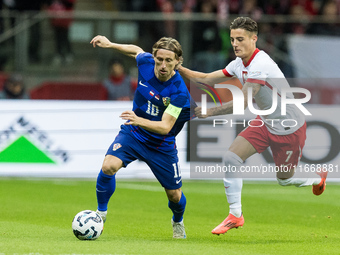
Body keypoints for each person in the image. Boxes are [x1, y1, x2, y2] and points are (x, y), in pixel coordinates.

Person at [178, 17, 327, 235]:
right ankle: (235, 215)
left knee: (284, 180)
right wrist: (177, 68)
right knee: (231, 157)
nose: (235, 44)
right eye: (232, 39)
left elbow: (244, 102)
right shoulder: (238, 63)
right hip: (265, 121)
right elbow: (208, 79)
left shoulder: (260, 64)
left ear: (254, 39)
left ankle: (316, 177)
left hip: (289, 127)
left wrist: (208, 112)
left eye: (240, 39)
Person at [90, 35, 196, 238]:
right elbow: (136, 50)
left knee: (174, 196)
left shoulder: (179, 92)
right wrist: (110, 44)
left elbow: (165, 127)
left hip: (161, 144)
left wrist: (138, 119)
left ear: (178, 62)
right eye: (159, 60)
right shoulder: (146, 63)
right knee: (108, 166)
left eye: (168, 61)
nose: (162, 65)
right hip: (134, 134)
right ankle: (100, 214)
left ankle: (177, 220)